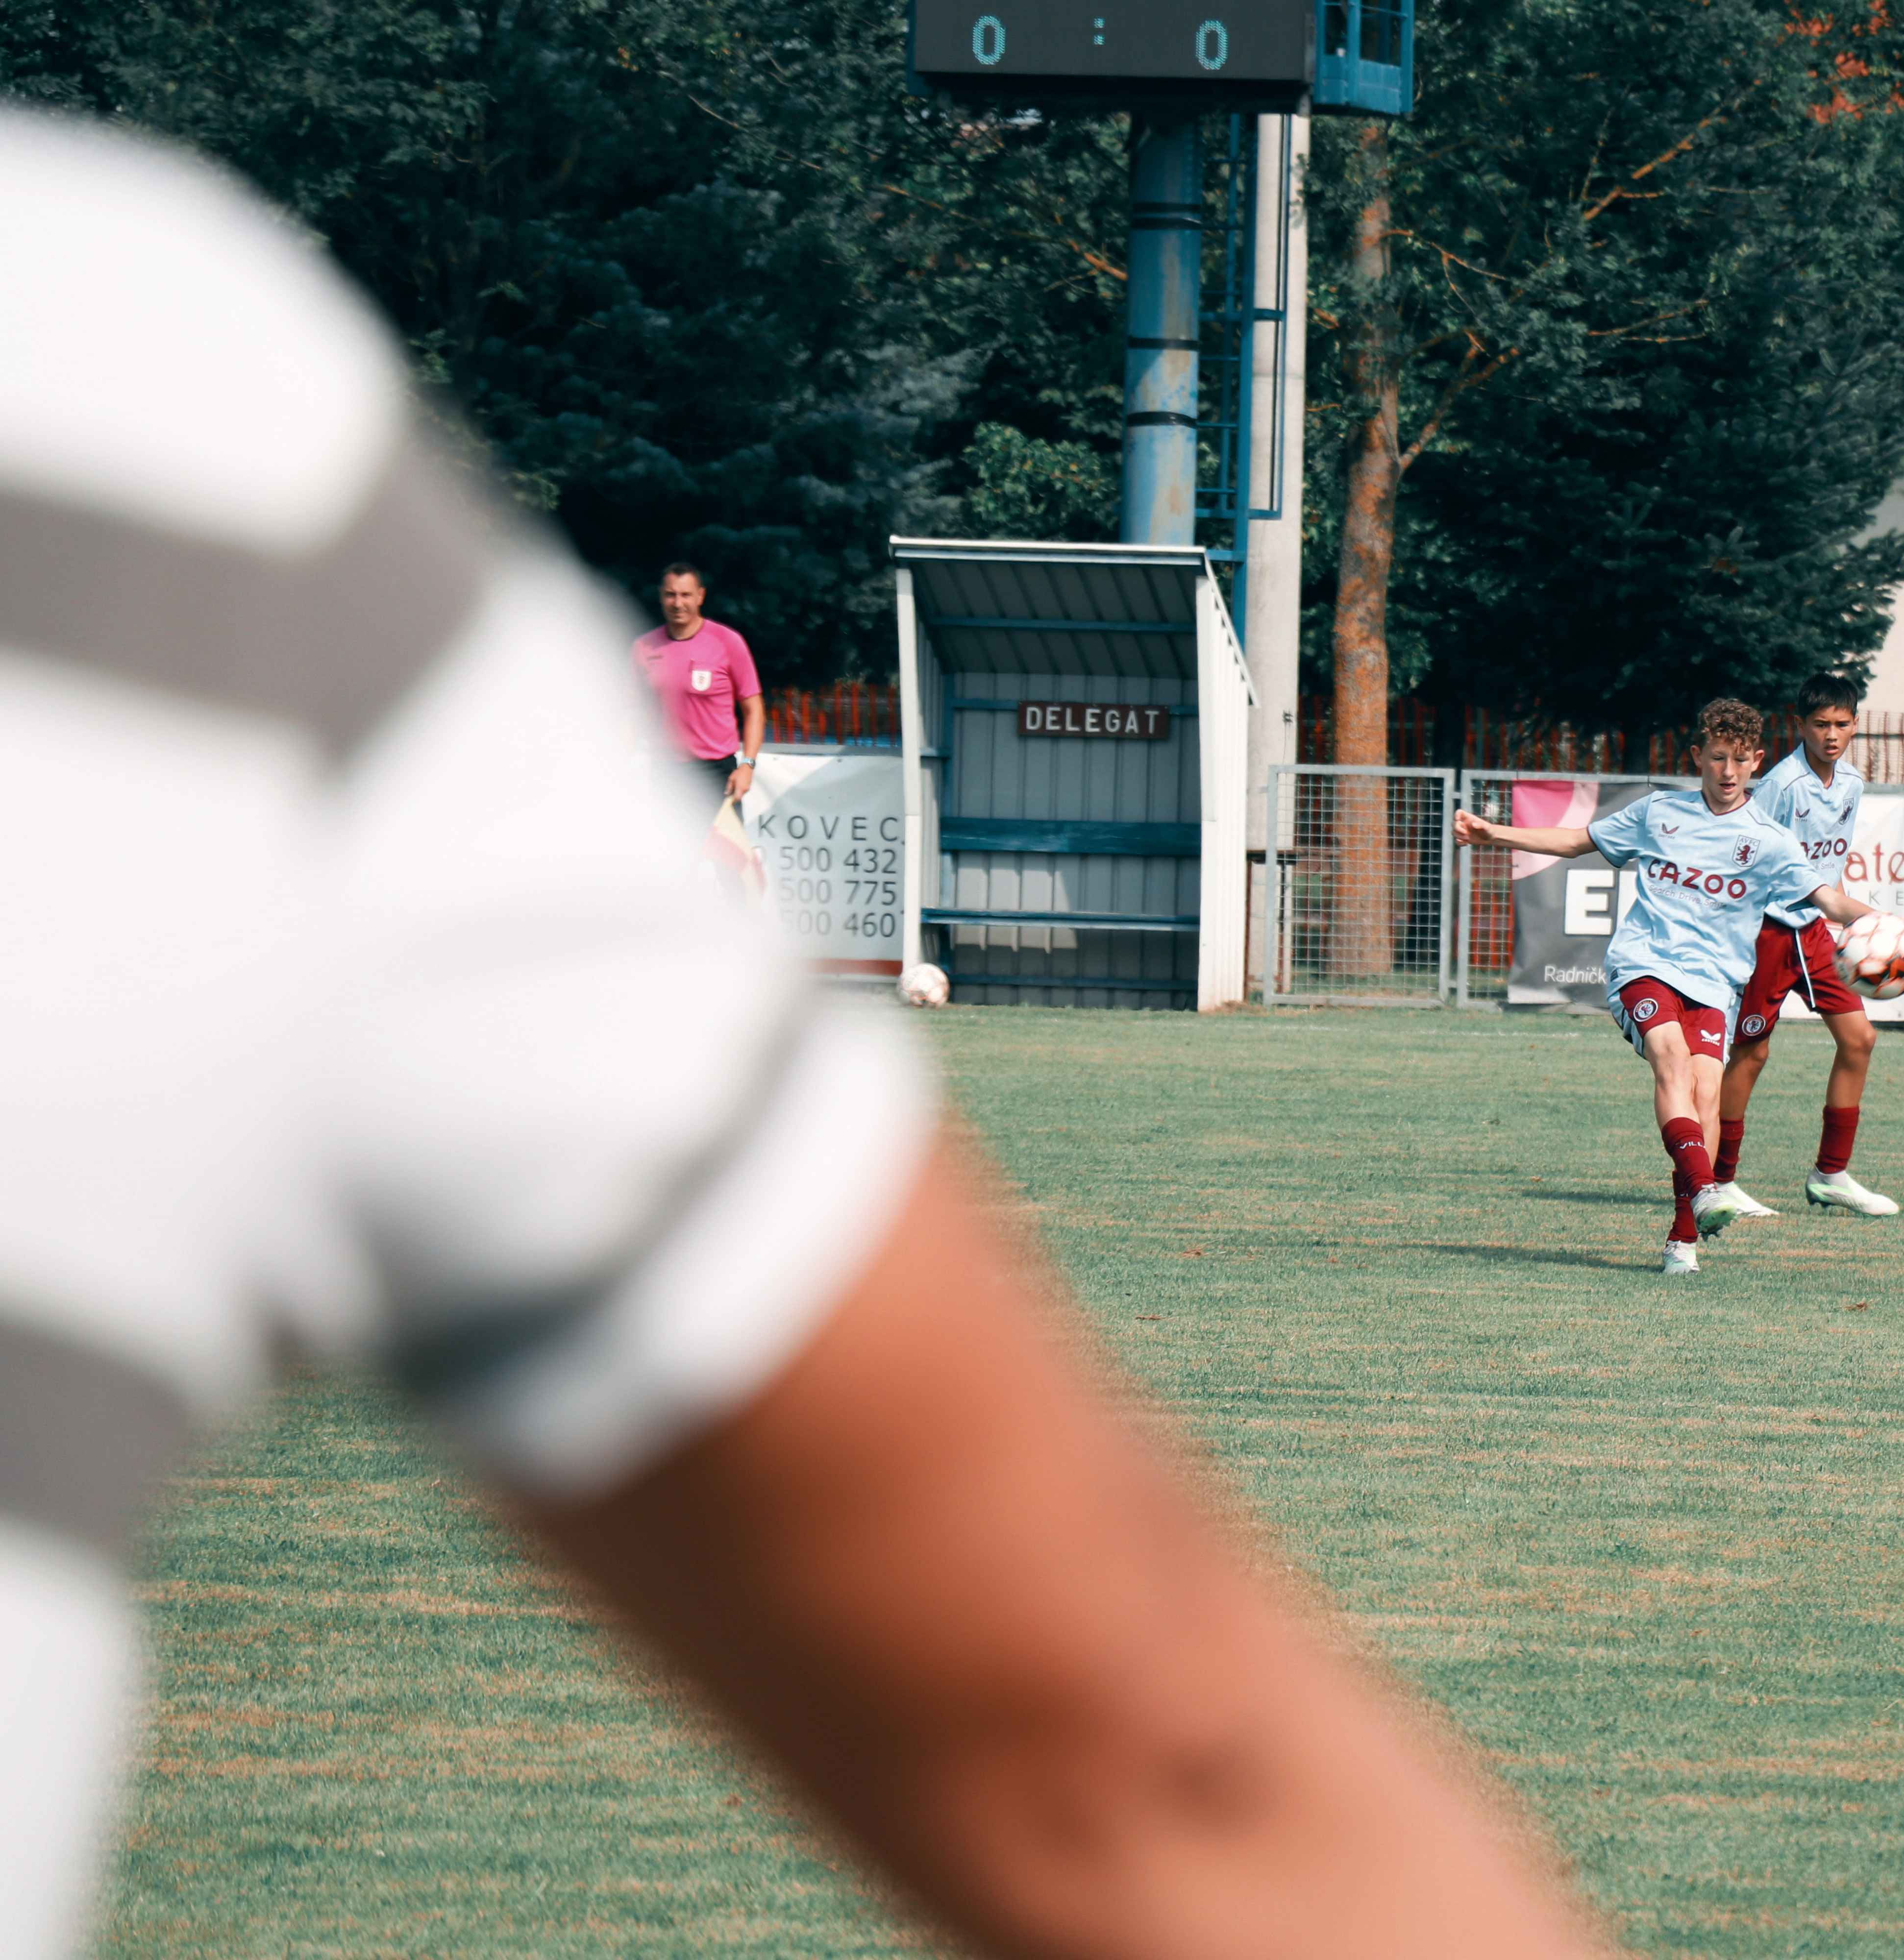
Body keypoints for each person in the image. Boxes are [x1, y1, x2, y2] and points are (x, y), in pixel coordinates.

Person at [0, 109, 1611, 1960]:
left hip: (686, 800)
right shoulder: (143, 400)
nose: (684, 604)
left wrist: (747, 764)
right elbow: (1129, 1763)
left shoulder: (173, 414)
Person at [1452, 699, 1904, 1275]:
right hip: (1644, 964)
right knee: (1672, 1060)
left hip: (1715, 983)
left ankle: (1683, 1240)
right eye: (1717, 758)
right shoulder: (1659, 813)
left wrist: (1890, 925)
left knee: (1706, 1096)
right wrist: (1490, 833)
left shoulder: (1770, 840)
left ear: (1756, 762)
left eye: (1740, 760)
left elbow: (1827, 899)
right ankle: (1707, 1187)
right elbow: (1577, 841)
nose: (1728, 772)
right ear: (1699, 756)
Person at [1699, 673, 1901, 1223]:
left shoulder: (1853, 783)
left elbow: (1824, 872)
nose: (1831, 735)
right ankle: (1718, 1181)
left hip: (1815, 931)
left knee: (1859, 1039)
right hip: (1766, 931)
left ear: (1855, 724)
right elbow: (1750, 856)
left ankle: (1831, 1174)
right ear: (1799, 726)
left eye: (1841, 724)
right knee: (1752, 1053)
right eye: (1820, 724)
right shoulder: (1781, 786)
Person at [635, 562, 764, 806]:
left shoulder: (728, 642)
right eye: (671, 595)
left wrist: (748, 765)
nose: (678, 603)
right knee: (670, 846)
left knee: (722, 846)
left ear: (700, 596)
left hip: (717, 774)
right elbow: (631, 710)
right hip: (666, 774)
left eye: (686, 595)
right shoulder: (643, 647)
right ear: (661, 597)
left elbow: (754, 709)